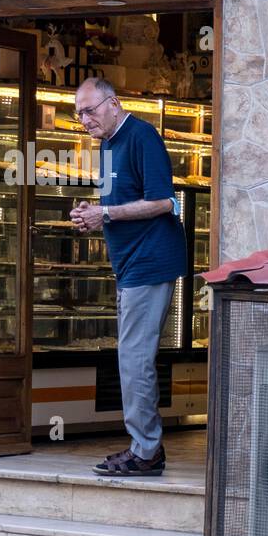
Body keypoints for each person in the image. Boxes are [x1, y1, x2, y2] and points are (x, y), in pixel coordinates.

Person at [70, 77, 188, 476]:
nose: (84, 119)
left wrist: (104, 214)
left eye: (90, 110)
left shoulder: (142, 136)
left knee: (135, 360)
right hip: (129, 267)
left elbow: (162, 202)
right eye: (79, 113)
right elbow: (118, 205)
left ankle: (146, 450)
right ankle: (144, 445)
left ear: (114, 103)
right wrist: (92, 214)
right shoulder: (106, 145)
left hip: (150, 263)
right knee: (132, 358)